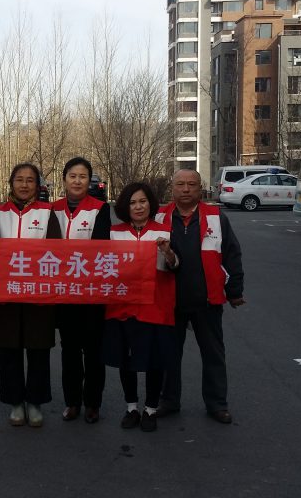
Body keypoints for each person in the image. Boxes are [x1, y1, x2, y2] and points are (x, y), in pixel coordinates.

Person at [157, 169, 245, 424]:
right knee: (168, 355)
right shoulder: (159, 217)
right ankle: (168, 400)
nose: (186, 189)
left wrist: (235, 291)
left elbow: (232, 254)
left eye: (191, 184)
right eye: (180, 184)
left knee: (213, 354)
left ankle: (217, 404)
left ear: (200, 188)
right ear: (172, 188)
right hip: (170, 300)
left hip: (207, 299)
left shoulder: (216, 217)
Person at [105, 182, 178, 433]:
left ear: (150, 204)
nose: (138, 207)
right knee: (126, 360)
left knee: (154, 361)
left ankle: (150, 409)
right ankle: (131, 407)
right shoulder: (114, 233)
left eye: (143, 201)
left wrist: (168, 253)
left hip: (155, 306)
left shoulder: (164, 231)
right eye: (132, 203)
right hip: (123, 306)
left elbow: (176, 266)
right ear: (125, 207)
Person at [0, 163, 60, 427]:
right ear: (11, 183)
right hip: (6, 291)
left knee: (38, 348)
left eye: (30, 180)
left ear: (37, 185)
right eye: (19, 180)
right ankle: (15, 402)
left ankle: (35, 402)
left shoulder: (47, 212)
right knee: (9, 348)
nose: (24, 185)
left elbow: (56, 252)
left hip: (38, 292)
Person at [52, 157, 112, 424]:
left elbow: (100, 249)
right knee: (69, 350)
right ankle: (72, 401)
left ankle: (93, 403)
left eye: (83, 176)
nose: (77, 181)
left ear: (90, 181)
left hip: (91, 292)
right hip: (62, 292)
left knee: (94, 350)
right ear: (65, 179)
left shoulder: (100, 209)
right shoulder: (52, 209)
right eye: (72, 176)